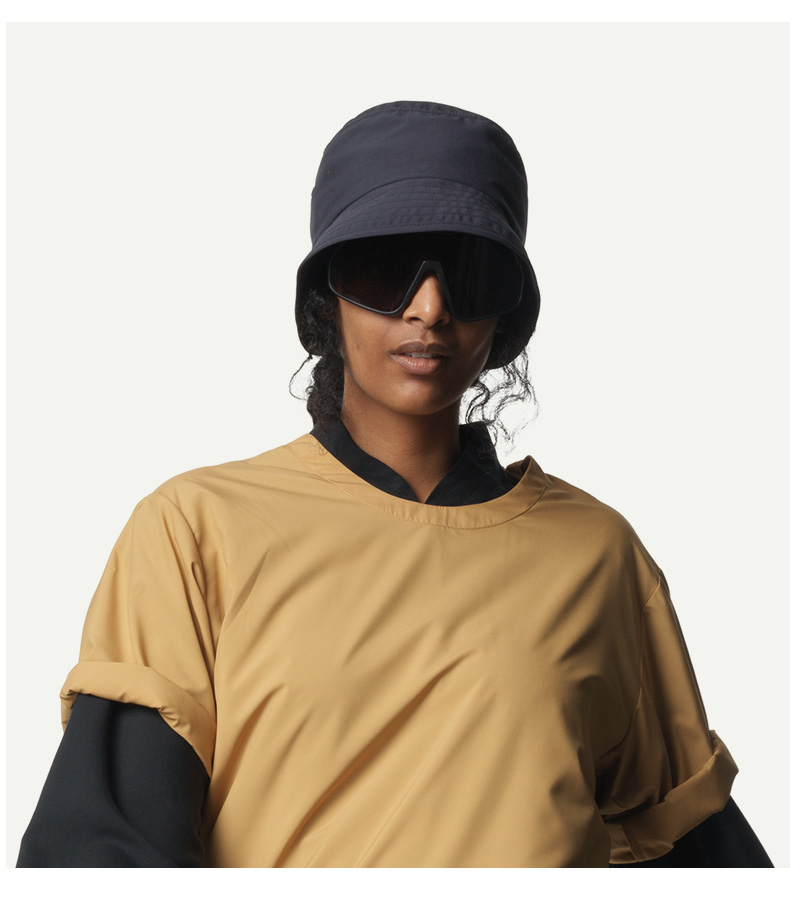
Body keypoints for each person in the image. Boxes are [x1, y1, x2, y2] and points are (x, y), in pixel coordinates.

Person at [17, 100, 773, 868]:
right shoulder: (194, 530)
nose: (430, 309)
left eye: (468, 275)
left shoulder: (601, 556)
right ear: (327, 299)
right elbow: (99, 858)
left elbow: (693, 850)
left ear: (505, 312)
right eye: (385, 271)